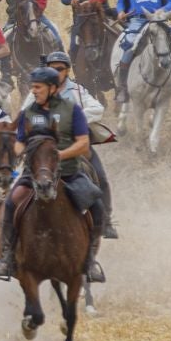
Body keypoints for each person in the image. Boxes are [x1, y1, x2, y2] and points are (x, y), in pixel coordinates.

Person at [0, 68, 107, 284]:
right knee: (10, 202)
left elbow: (83, 143)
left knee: (97, 206)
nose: (33, 91)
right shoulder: (27, 113)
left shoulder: (73, 111)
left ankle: (90, 261)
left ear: (52, 88)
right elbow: (20, 140)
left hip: (69, 172)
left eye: (37, 87)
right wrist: (18, 151)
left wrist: (58, 155)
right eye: (33, 86)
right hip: (33, 173)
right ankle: (7, 259)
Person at [44, 49, 116, 239]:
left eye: (59, 69)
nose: (55, 73)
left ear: (67, 71)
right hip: (46, 148)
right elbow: (26, 113)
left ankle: (106, 221)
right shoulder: (39, 89)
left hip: (76, 144)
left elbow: (97, 109)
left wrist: (74, 119)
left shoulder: (77, 90)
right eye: (51, 69)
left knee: (101, 177)